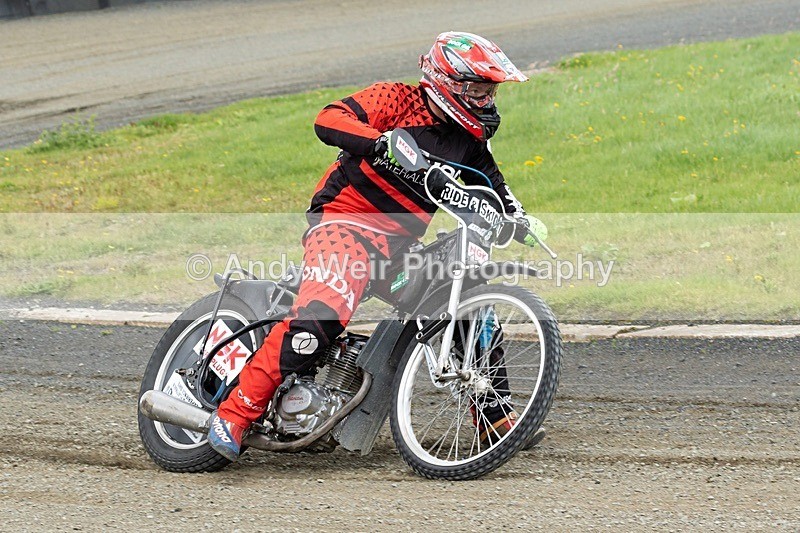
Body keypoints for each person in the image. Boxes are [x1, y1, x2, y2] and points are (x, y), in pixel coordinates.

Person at [208, 31, 543, 461]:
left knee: (464, 295)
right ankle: (234, 413)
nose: (484, 100)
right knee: (320, 321)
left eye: (488, 91)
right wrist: (379, 143)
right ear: (446, 81)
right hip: (343, 223)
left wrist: (518, 219)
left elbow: (495, 189)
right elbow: (328, 119)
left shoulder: (470, 143)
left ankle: (492, 416)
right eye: (475, 90)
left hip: (396, 251)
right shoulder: (397, 99)